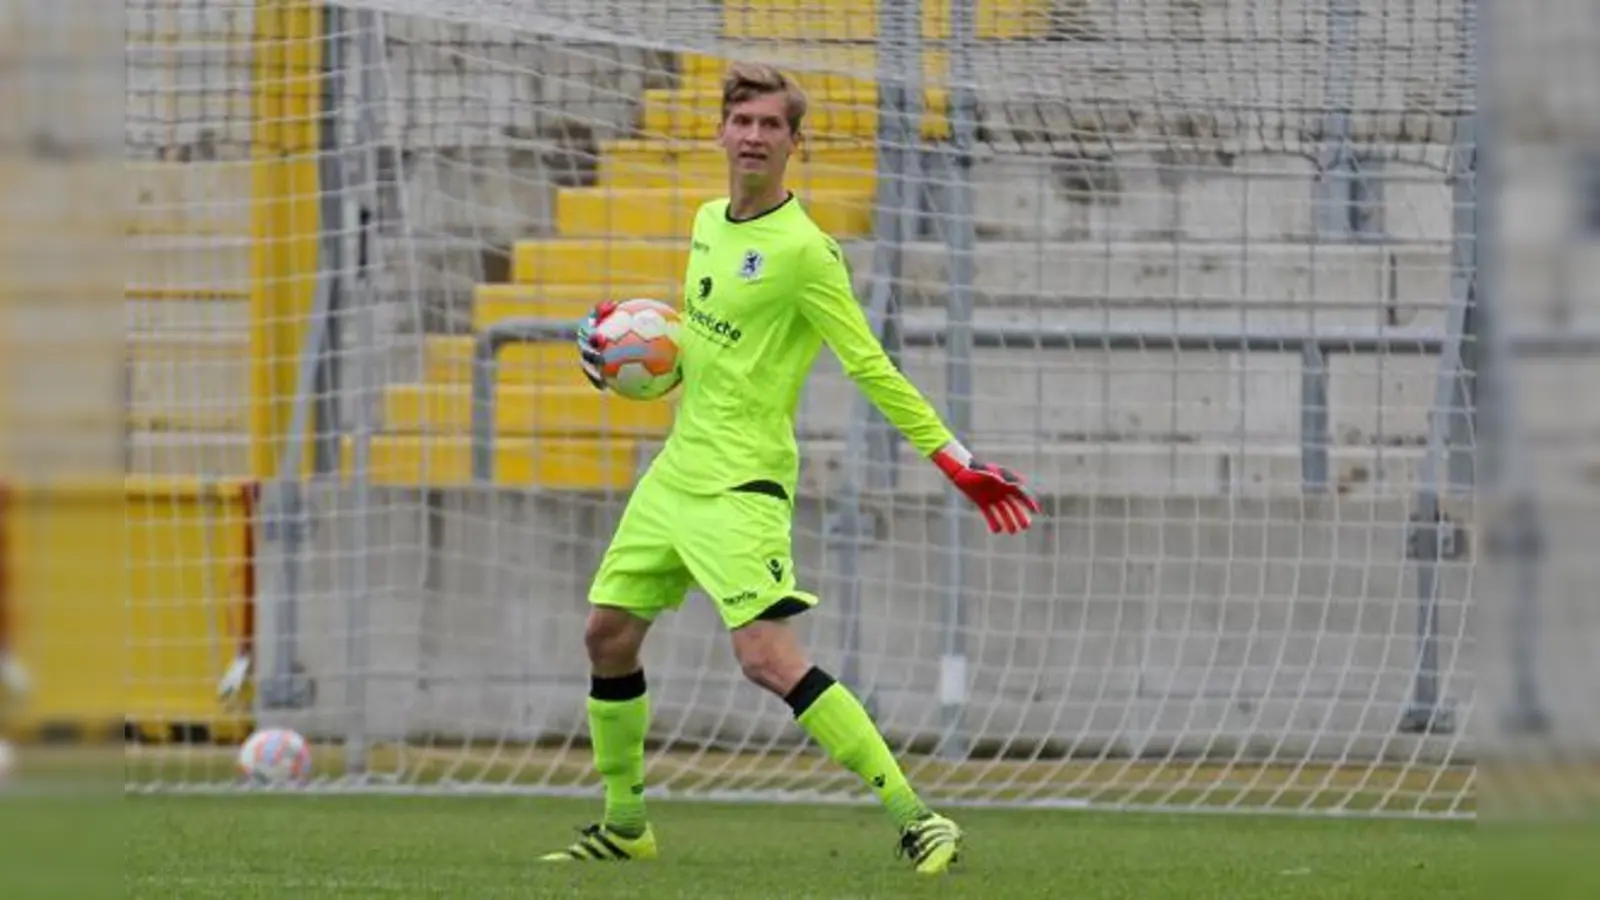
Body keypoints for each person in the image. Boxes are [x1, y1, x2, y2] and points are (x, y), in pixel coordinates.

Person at [540, 61, 1041, 875]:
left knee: (766, 658)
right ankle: (626, 824)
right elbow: (711, 347)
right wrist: (634, 347)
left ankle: (918, 816)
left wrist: (956, 460)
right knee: (607, 636)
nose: (754, 136)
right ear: (720, 132)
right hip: (674, 476)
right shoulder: (708, 221)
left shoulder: (808, 253)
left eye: (773, 126)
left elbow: (872, 365)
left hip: (742, 485)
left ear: (795, 145)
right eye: (743, 122)